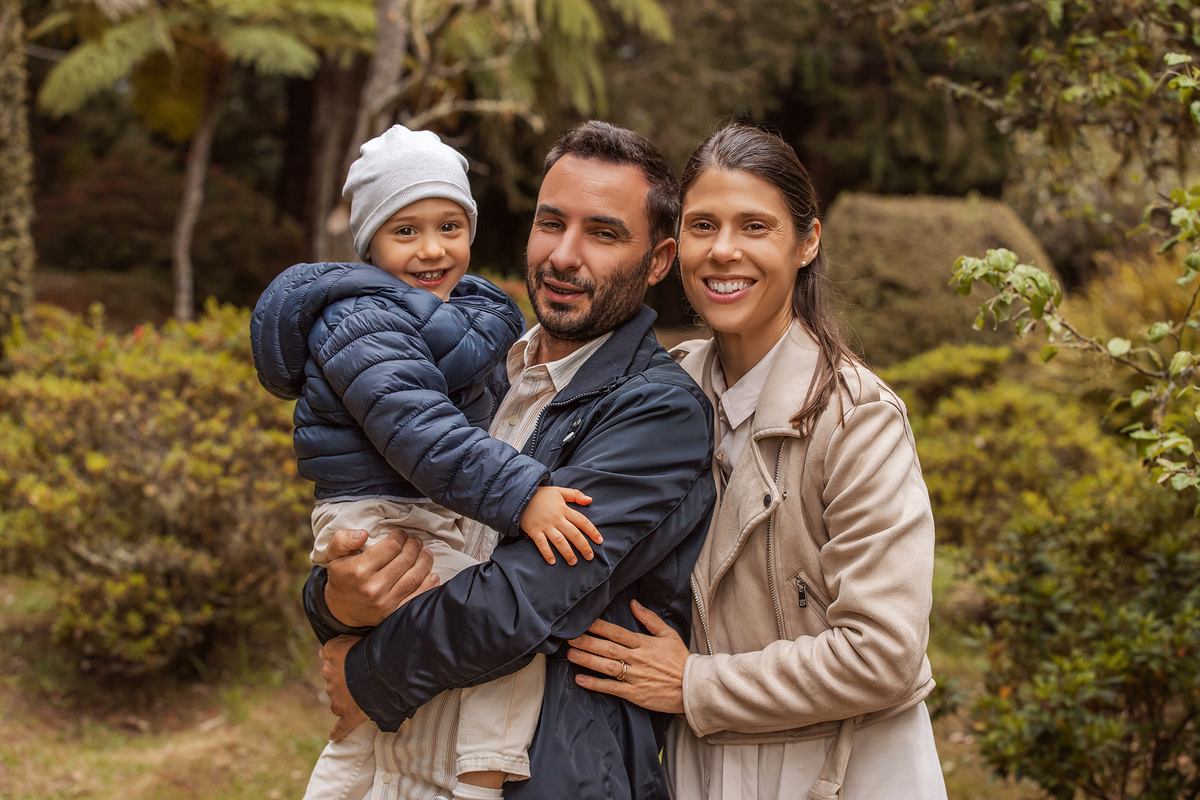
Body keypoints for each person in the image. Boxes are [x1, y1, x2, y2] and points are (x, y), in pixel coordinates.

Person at [303, 121, 717, 799]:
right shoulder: (474, 369)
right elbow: (387, 525)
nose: (564, 255)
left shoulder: (658, 414)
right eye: (551, 223)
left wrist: (364, 674)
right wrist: (335, 600)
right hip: (403, 765)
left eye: (604, 234)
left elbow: (514, 602)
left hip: (550, 776)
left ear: (659, 260)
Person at [567, 124, 948, 799]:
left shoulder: (856, 418)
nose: (723, 251)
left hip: (843, 766)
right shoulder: (665, 391)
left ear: (807, 242)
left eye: (754, 226)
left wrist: (694, 684)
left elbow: (885, 653)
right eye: (703, 225)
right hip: (704, 762)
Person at [251, 125, 606, 800]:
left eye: (449, 224)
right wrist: (524, 494)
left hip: (408, 509)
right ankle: (479, 781)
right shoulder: (358, 320)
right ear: (369, 244)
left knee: (367, 715)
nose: (433, 248)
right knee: (502, 636)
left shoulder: (456, 316)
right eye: (405, 231)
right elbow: (420, 431)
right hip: (381, 514)